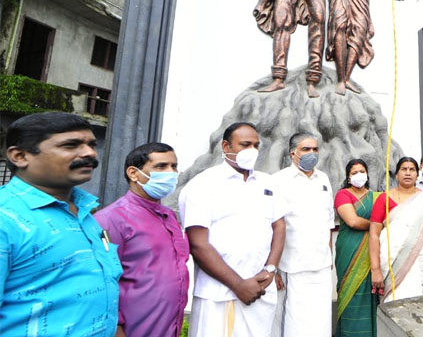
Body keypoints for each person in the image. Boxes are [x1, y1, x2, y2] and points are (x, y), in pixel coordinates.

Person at [0, 112, 122, 336]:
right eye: (71, 145)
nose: (90, 153)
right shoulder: (6, 218)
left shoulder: (86, 214)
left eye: (91, 144)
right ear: (20, 156)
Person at [179, 122, 286, 337]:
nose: (252, 151)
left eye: (256, 145)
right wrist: (239, 285)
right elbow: (198, 244)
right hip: (220, 294)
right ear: (226, 146)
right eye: (245, 144)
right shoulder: (203, 185)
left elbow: (279, 225)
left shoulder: (267, 183)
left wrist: (271, 268)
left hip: (261, 291)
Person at [95, 142, 190, 337]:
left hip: (169, 326)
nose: (171, 173)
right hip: (133, 328)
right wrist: (116, 329)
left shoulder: (169, 216)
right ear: (133, 173)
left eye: (174, 166)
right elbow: (101, 282)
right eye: (161, 167)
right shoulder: (110, 219)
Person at [271, 132, 335, 337]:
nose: (312, 153)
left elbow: (328, 222)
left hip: (322, 265)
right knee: (294, 324)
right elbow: (270, 225)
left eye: (315, 149)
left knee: (321, 323)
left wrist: (329, 254)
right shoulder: (278, 181)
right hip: (292, 266)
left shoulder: (323, 179)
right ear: (293, 153)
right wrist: (272, 268)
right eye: (306, 149)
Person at [370, 157, 423, 302]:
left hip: (421, 262)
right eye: (404, 169)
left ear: (417, 174)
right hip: (393, 263)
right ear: (396, 174)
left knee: (422, 304)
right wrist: (375, 270)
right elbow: (374, 235)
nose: (408, 173)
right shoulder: (384, 198)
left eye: (412, 169)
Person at [334, 159, 381, 336]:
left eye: (362, 171)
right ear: (348, 177)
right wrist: (376, 225)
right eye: (354, 173)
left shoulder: (376, 197)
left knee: (372, 293)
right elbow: (352, 221)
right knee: (350, 294)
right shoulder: (343, 195)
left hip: (372, 251)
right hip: (349, 250)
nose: (359, 175)